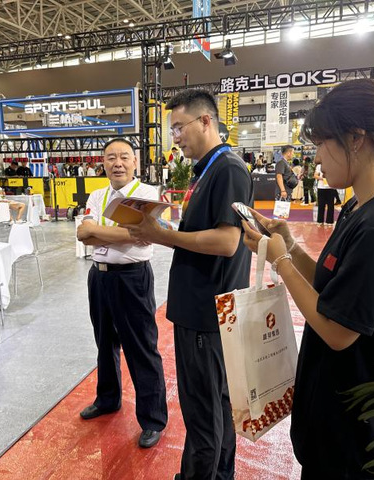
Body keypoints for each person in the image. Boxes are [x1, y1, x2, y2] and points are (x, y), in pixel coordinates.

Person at [241, 78, 374, 479]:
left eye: (322, 143)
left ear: (356, 138)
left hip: (353, 439)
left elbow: (338, 331)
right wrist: (290, 246)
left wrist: (280, 261)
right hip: (334, 422)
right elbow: (333, 288)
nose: (316, 157)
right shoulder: (362, 209)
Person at [123, 90, 253, 480]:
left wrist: (162, 235)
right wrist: (161, 229)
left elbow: (227, 242)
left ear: (206, 121)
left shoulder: (227, 169)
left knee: (203, 413)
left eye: (180, 127)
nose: (175, 137)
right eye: (172, 130)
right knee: (215, 406)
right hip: (203, 309)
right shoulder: (206, 169)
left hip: (206, 314)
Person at [76, 138, 168, 449]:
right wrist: (123, 234)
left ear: (135, 162)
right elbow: (83, 234)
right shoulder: (97, 195)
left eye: (124, 157)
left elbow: (143, 235)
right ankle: (107, 399)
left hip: (132, 278)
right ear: (103, 163)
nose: (117, 163)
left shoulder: (145, 194)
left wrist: (100, 232)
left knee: (141, 346)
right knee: (104, 342)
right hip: (99, 277)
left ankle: (152, 419)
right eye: (111, 157)